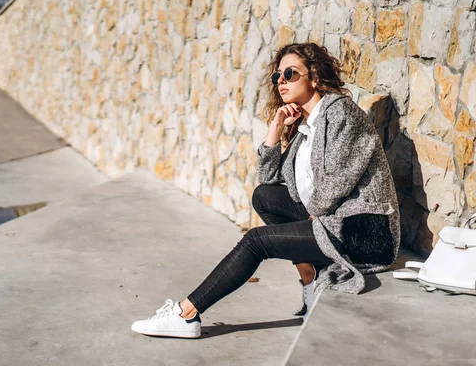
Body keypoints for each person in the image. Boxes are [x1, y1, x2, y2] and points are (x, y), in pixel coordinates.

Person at [131, 42, 400, 339]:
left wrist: (312, 215)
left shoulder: (341, 114)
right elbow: (269, 178)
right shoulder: (307, 126)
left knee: (257, 241)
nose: (281, 81)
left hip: (364, 232)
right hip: (331, 219)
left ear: (314, 77)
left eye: (290, 73)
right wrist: (276, 129)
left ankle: (186, 314)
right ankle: (310, 280)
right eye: (277, 76)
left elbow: (335, 184)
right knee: (265, 196)